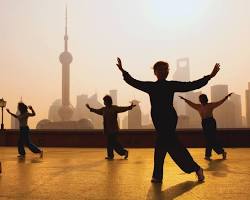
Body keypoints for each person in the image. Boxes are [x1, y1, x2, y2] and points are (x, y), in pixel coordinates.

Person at [116, 57, 220, 183]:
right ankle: (171, 173)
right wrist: (123, 71)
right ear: (155, 72)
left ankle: (188, 169)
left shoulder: (171, 85)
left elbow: (190, 85)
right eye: (161, 69)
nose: (164, 71)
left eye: (166, 69)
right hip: (158, 119)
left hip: (169, 119)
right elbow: (135, 82)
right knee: (164, 145)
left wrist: (209, 76)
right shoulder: (151, 86)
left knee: (167, 145)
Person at [179, 93, 233, 160]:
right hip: (204, 123)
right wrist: (184, 99)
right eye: (200, 99)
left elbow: (219, 102)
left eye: (202, 98)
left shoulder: (210, 105)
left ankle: (208, 155)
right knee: (209, 140)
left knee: (210, 139)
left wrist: (226, 97)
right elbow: (191, 103)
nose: (201, 100)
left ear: (205, 99)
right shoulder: (198, 106)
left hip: (211, 122)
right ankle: (221, 152)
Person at [86, 95, 136, 160]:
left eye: (105, 101)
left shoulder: (114, 108)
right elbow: (97, 111)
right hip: (107, 130)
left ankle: (122, 152)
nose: (104, 102)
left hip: (113, 129)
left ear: (108, 101)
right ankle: (115, 154)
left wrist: (129, 107)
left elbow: (122, 109)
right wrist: (90, 108)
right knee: (111, 143)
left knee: (113, 143)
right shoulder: (104, 109)